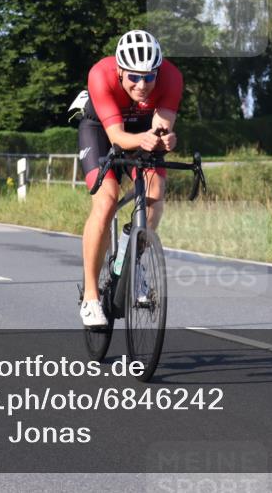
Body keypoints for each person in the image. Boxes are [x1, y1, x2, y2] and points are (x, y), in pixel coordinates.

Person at [77, 30, 183, 327]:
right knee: (107, 199)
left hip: (142, 128)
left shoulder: (172, 78)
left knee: (155, 193)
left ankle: (132, 262)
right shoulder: (101, 74)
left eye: (149, 78)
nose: (142, 85)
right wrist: (143, 140)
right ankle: (90, 296)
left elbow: (160, 128)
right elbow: (117, 137)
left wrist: (166, 139)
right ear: (120, 71)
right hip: (101, 129)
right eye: (134, 78)